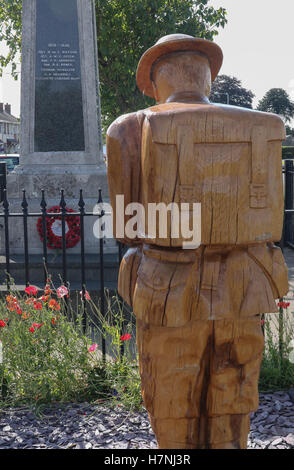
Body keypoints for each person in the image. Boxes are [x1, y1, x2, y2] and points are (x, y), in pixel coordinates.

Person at [106, 34, 288, 449]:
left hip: (167, 287)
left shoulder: (128, 128)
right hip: (246, 282)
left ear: (154, 82)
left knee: (171, 394)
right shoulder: (258, 127)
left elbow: (126, 225)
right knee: (234, 391)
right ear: (208, 78)